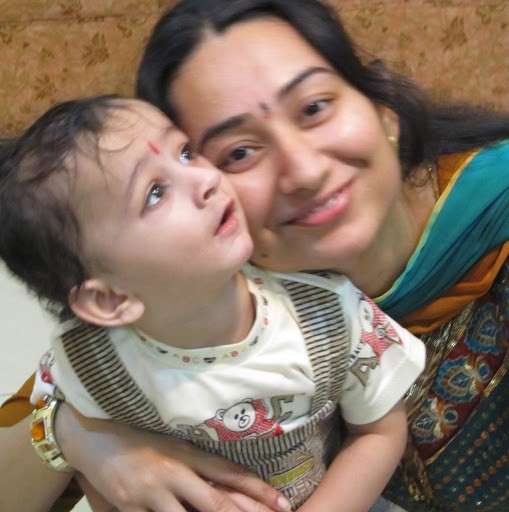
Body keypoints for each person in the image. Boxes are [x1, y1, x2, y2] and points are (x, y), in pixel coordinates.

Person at [0, 0, 508, 510]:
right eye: (238, 152)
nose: (304, 171)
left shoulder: (488, 226)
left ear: (382, 109)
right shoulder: (188, 302)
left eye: (314, 108)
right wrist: (85, 443)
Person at [0, 94, 425, 512]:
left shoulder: (326, 313)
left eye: (186, 153)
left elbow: (379, 432)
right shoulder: (89, 362)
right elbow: (102, 474)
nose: (206, 179)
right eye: (155, 193)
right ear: (109, 298)